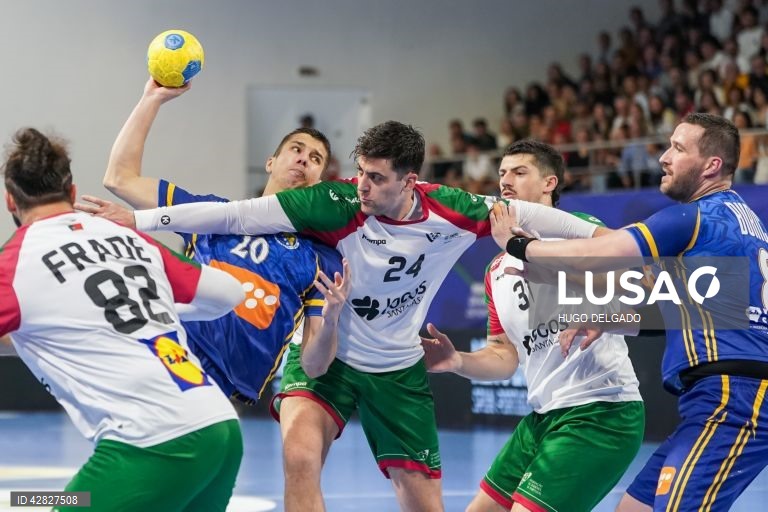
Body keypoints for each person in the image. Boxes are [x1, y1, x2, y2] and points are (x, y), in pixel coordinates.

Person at [77, 120, 607, 512]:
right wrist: (140, 219)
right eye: (357, 172)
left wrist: (616, 246)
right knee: (293, 459)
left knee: (103, 495)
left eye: (375, 178)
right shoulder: (311, 212)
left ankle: (37, 500)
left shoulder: (344, 250)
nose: (360, 186)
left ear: (410, 181)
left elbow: (531, 228)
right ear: (272, 161)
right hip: (193, 403)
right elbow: (228, 212)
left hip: (212, 409)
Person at [100, 78, 349, 511]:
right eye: (297, 150)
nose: (305, 161)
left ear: (319, 182)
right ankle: (43, 501)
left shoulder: (319, 258)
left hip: (219, 401)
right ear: (271, 161)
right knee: (132, 488)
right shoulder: (212, 215)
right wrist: (151, 98)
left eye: (316, 160)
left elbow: (313, 362)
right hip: (170, 366)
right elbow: (118, 177)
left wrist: (332, 320)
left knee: (174, 490)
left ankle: (44, 501)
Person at [500, 113, 768, 512]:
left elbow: (600, 255)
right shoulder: (736, 222)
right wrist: (606, 319)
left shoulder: (694, 215)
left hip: (733, 395)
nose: (663, 157)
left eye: (678, 148)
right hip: (718, 395)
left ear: (712, 165)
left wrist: (519, 247)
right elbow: (686, 309)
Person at [0, 127, 245, 511]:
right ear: (73, 193)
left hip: (150, 443)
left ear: (10, 201)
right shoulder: (128, 238)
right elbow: (230, 293)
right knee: (60, 499)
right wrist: (159, 309)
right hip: (219, 428)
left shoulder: (14, 265)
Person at [420, 140, 645, 512]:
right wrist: (457, 361)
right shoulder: (496, 270)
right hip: (542, 417)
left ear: (549, 183)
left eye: (519, 172)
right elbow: (504, 355)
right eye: (502, 174)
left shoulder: (583, 234)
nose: (506, 181)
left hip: (601, 410)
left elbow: (637, 290)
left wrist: (538, 260)